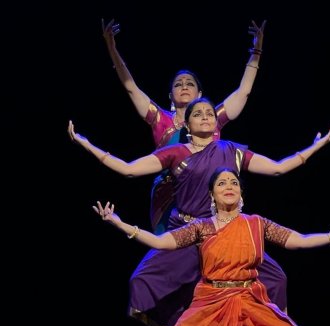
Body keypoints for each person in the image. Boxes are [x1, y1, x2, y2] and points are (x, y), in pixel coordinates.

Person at [68, 97, 330, 326]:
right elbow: (128, 170)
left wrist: (316, 146)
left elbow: (277, 169)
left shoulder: (231, 151)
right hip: (187, 233)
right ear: (187, 122)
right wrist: (86, 143)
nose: (206, 117)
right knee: (142, 282)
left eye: (210, 113)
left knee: (276, 278)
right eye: (199, 114)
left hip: (230, 235)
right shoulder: (176, 153)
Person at [92, 167, 330, 326]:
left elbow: (299, 241)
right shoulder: (202, 228)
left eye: (234, 183)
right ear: (212, 195)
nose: (228, 187)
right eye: (221, 183)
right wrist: (119, 224)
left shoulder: (256, 223)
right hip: (210, 303)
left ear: (241, 193)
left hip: (249, 300)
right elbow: (161, 243)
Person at [101, 18, 266, 234]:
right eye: (178, 84)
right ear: (171, 96)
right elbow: (131, 88)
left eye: (190, 83)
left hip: (208, 196)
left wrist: (257, 49)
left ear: (200, 94)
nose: (184, 86)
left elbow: (243, 91)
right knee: (170, 254)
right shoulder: (160, 119)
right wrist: (112, 48)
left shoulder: (213, 118)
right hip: (168, 198)